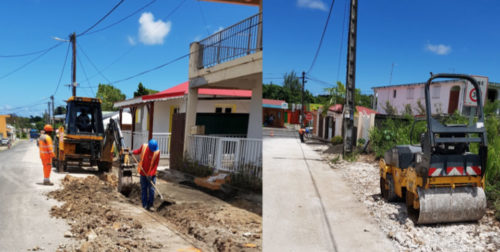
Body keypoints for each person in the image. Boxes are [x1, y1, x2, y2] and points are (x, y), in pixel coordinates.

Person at [133, 139, 160, 211]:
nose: (153, 151)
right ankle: (144, 204)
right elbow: (138, 151)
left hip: (152, 174)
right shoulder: (144, 147)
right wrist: (132, 152)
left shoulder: (157, 152)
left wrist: (151, 174)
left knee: (151, 189)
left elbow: (155, 165)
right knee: (144, 188)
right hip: (143, 172)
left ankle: (150, 205)